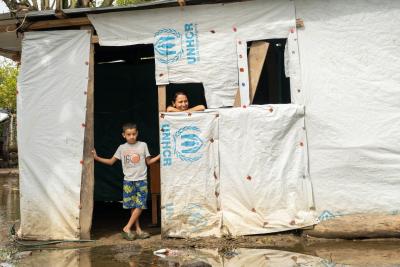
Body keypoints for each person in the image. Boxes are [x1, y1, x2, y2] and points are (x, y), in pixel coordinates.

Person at [92, 123, 160, 241]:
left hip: (141, 180)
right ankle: (138, 230)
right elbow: (111, 161)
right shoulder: (121, 148)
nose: (132, 136)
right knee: (133, 206)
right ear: (124, 135)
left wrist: (160, 155)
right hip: (128, 181)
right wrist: (97, 158)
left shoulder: (143, 145)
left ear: (137, 133)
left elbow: (148, 162)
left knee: (140, 205)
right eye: (129, 134)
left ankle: (127, 227)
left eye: (134, 134)